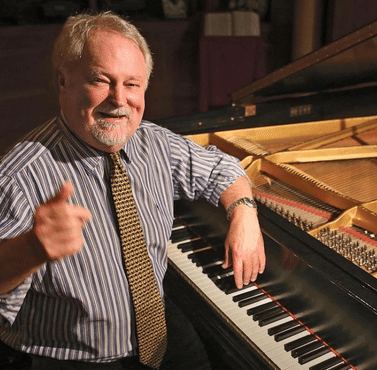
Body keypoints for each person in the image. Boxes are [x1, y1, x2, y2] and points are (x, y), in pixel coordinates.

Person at [0, 11, 265, 370]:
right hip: (74, 357)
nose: (119, 99)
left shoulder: (154, 142)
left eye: (132, 84)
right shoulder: (19, 176)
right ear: (63, 82)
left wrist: (244, 211)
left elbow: (222, 167)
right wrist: (30, 248)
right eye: (101, 80)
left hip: (155, 326)